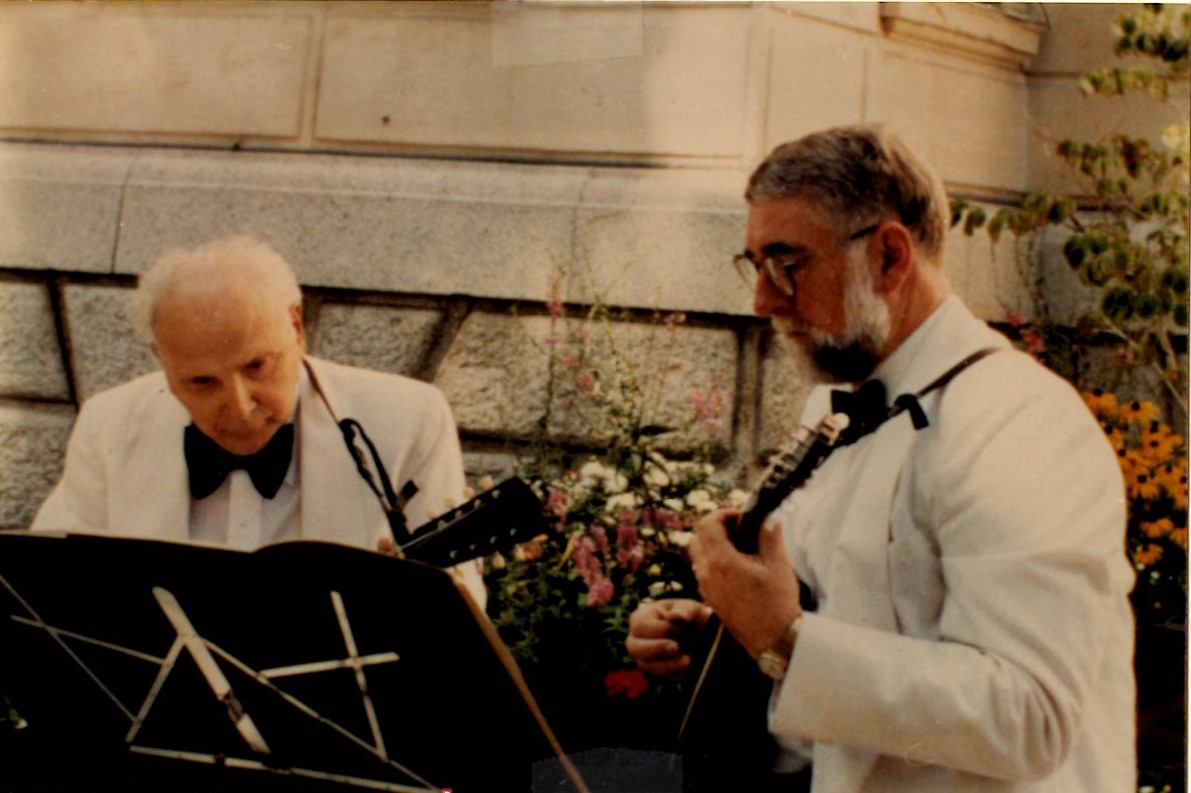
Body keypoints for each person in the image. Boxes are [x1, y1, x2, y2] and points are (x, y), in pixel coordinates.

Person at [626, 126, 1135, 791]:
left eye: (787, 262)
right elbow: (837, 617)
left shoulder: (1018, 423)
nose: (762, 298)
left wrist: (783, 640)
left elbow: (1030, 718)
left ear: (889, 256)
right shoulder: (837, 405)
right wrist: (726, 638)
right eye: (754, 264)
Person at [32, 235, 484, 604]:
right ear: (161, 360)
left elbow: (461, 616)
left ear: (297, 326)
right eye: (202, 382)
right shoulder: (108, 424)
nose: (241, 406)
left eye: (256, 367)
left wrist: (413, 595)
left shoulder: (408, 419)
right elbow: (42, 587)